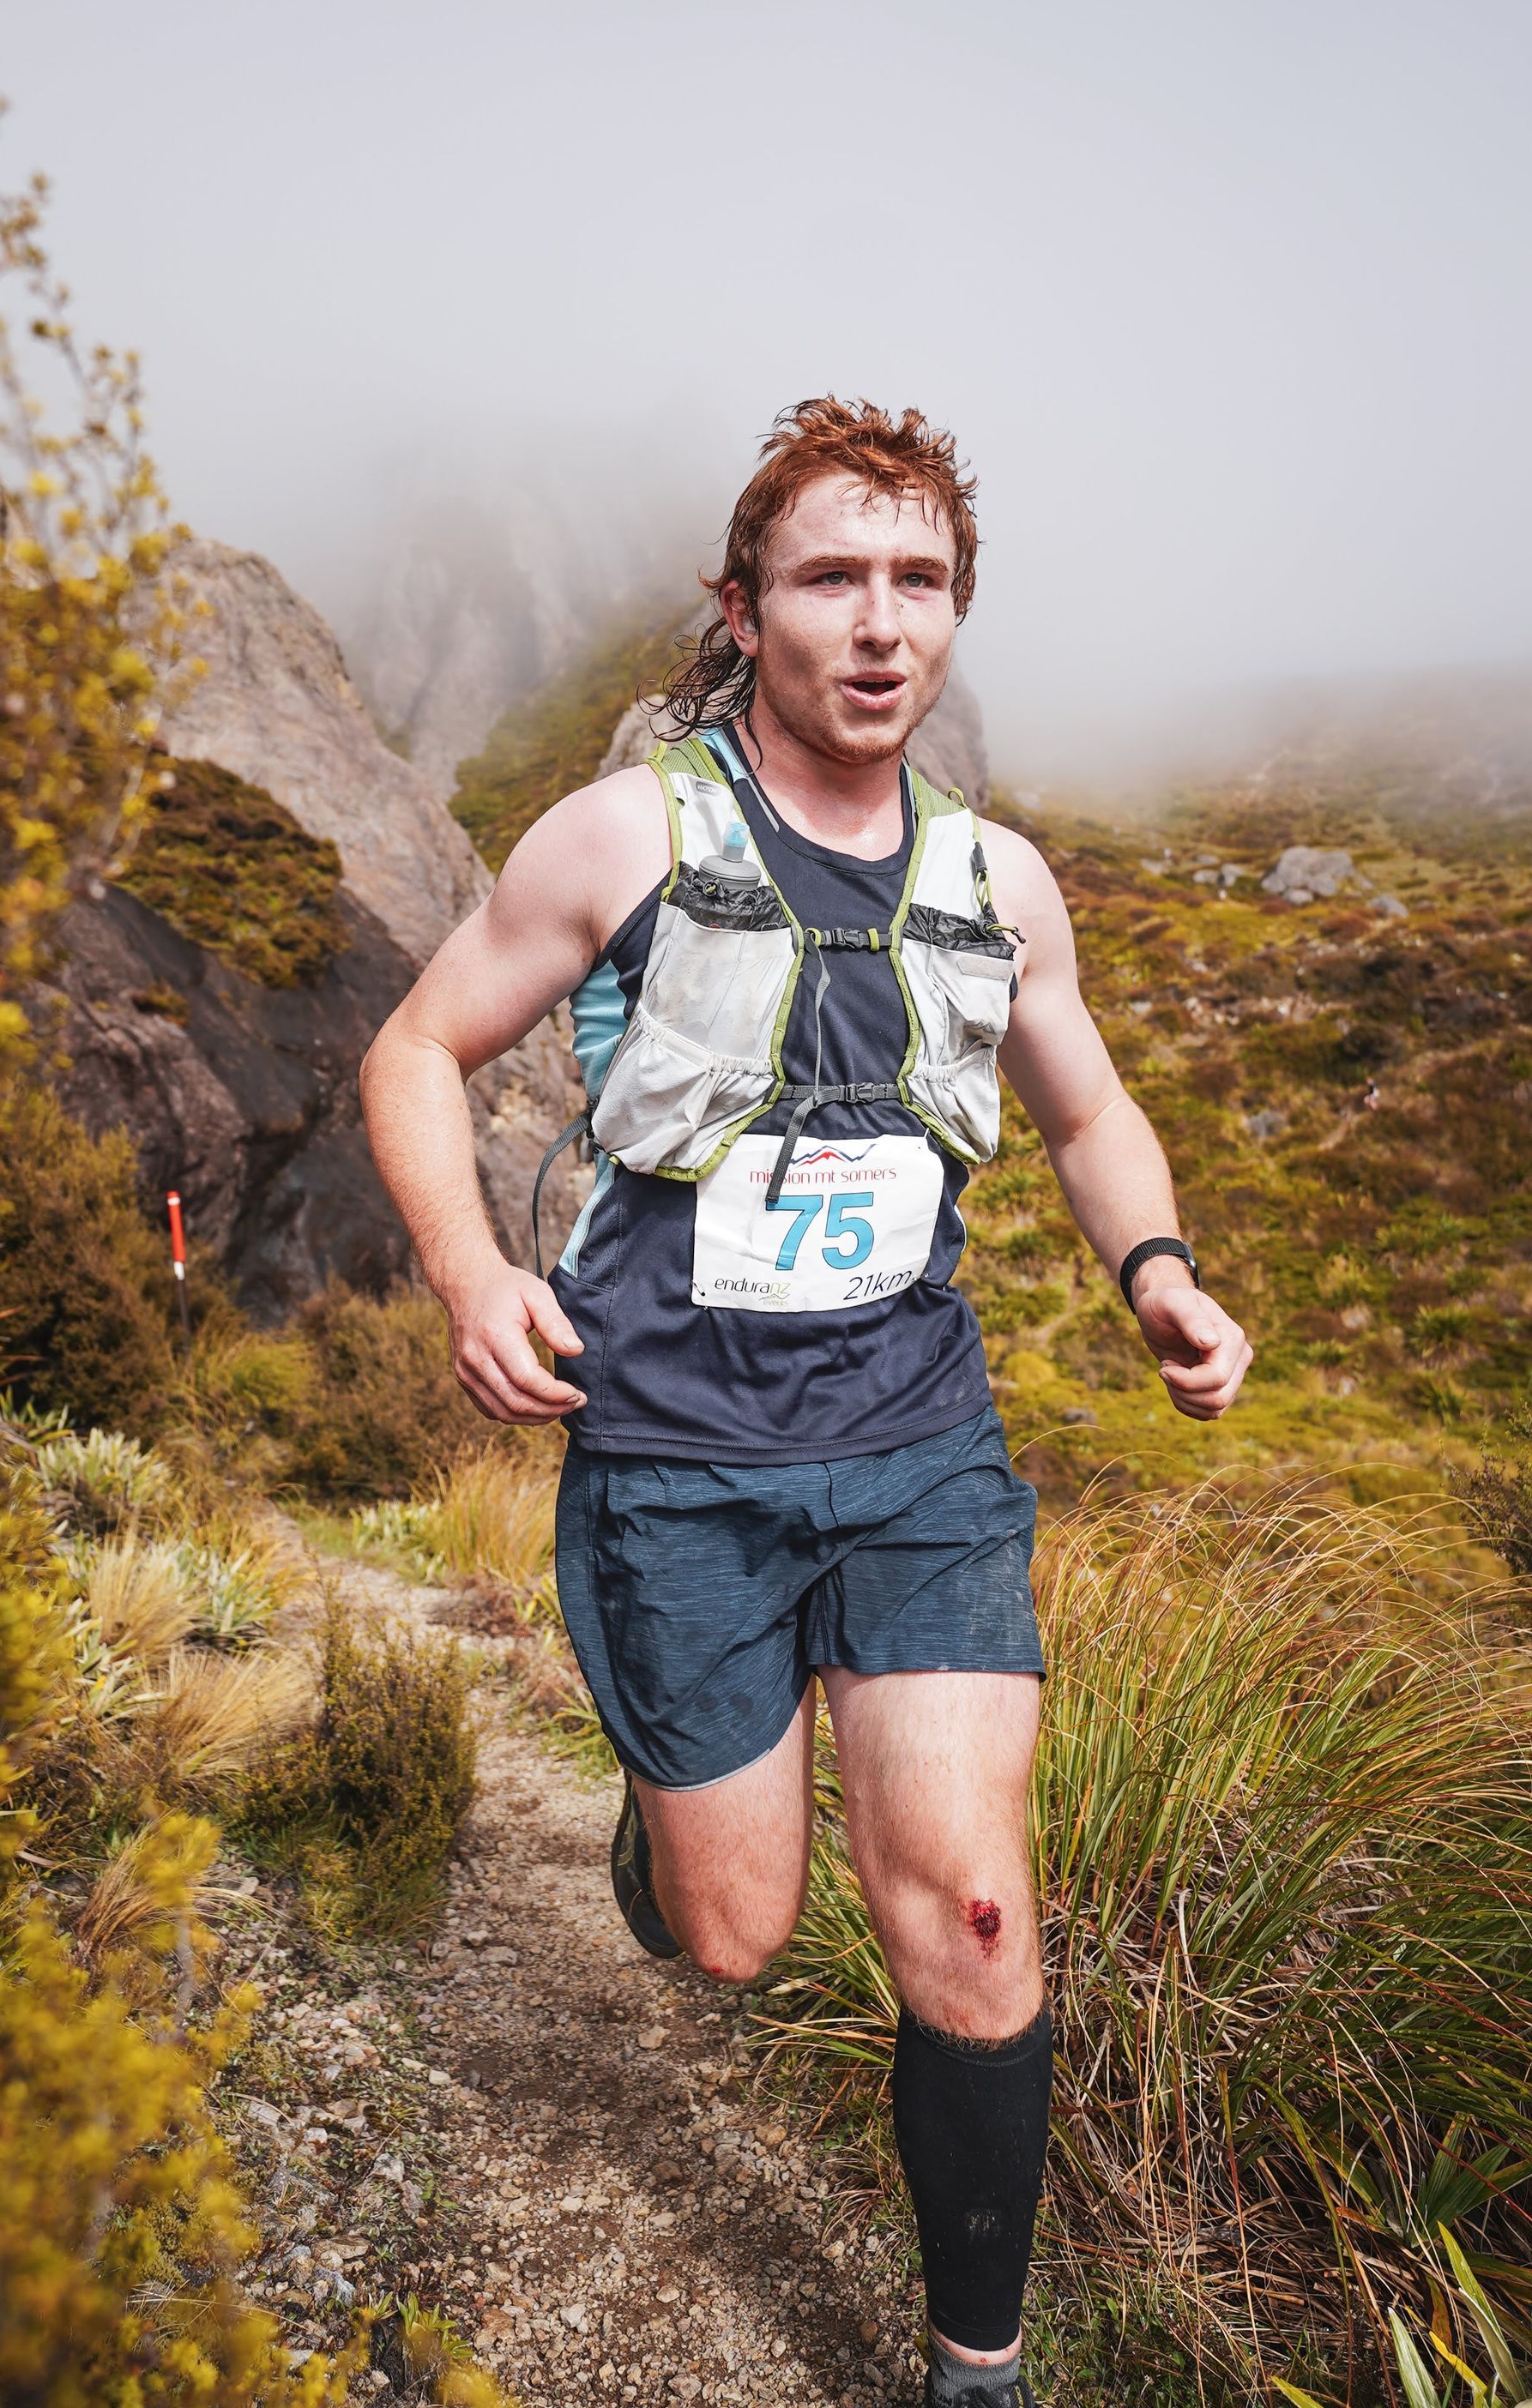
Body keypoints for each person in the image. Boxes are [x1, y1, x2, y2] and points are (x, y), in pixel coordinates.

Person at [360, 398, 1253, 2407]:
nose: (878, 623)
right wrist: (468, 1273)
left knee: (975, 1906)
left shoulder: (1000, 883)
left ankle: (977, 2367)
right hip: (679, 1459)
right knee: (737, 1933)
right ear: (747, 607)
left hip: (919, 1445)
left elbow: (1091, 1107)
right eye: (832, 577)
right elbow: (416, 1052)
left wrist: (1161, 1275)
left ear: (955, 616)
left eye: (918, 581)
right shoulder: (627, 838)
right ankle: (671, 1833)